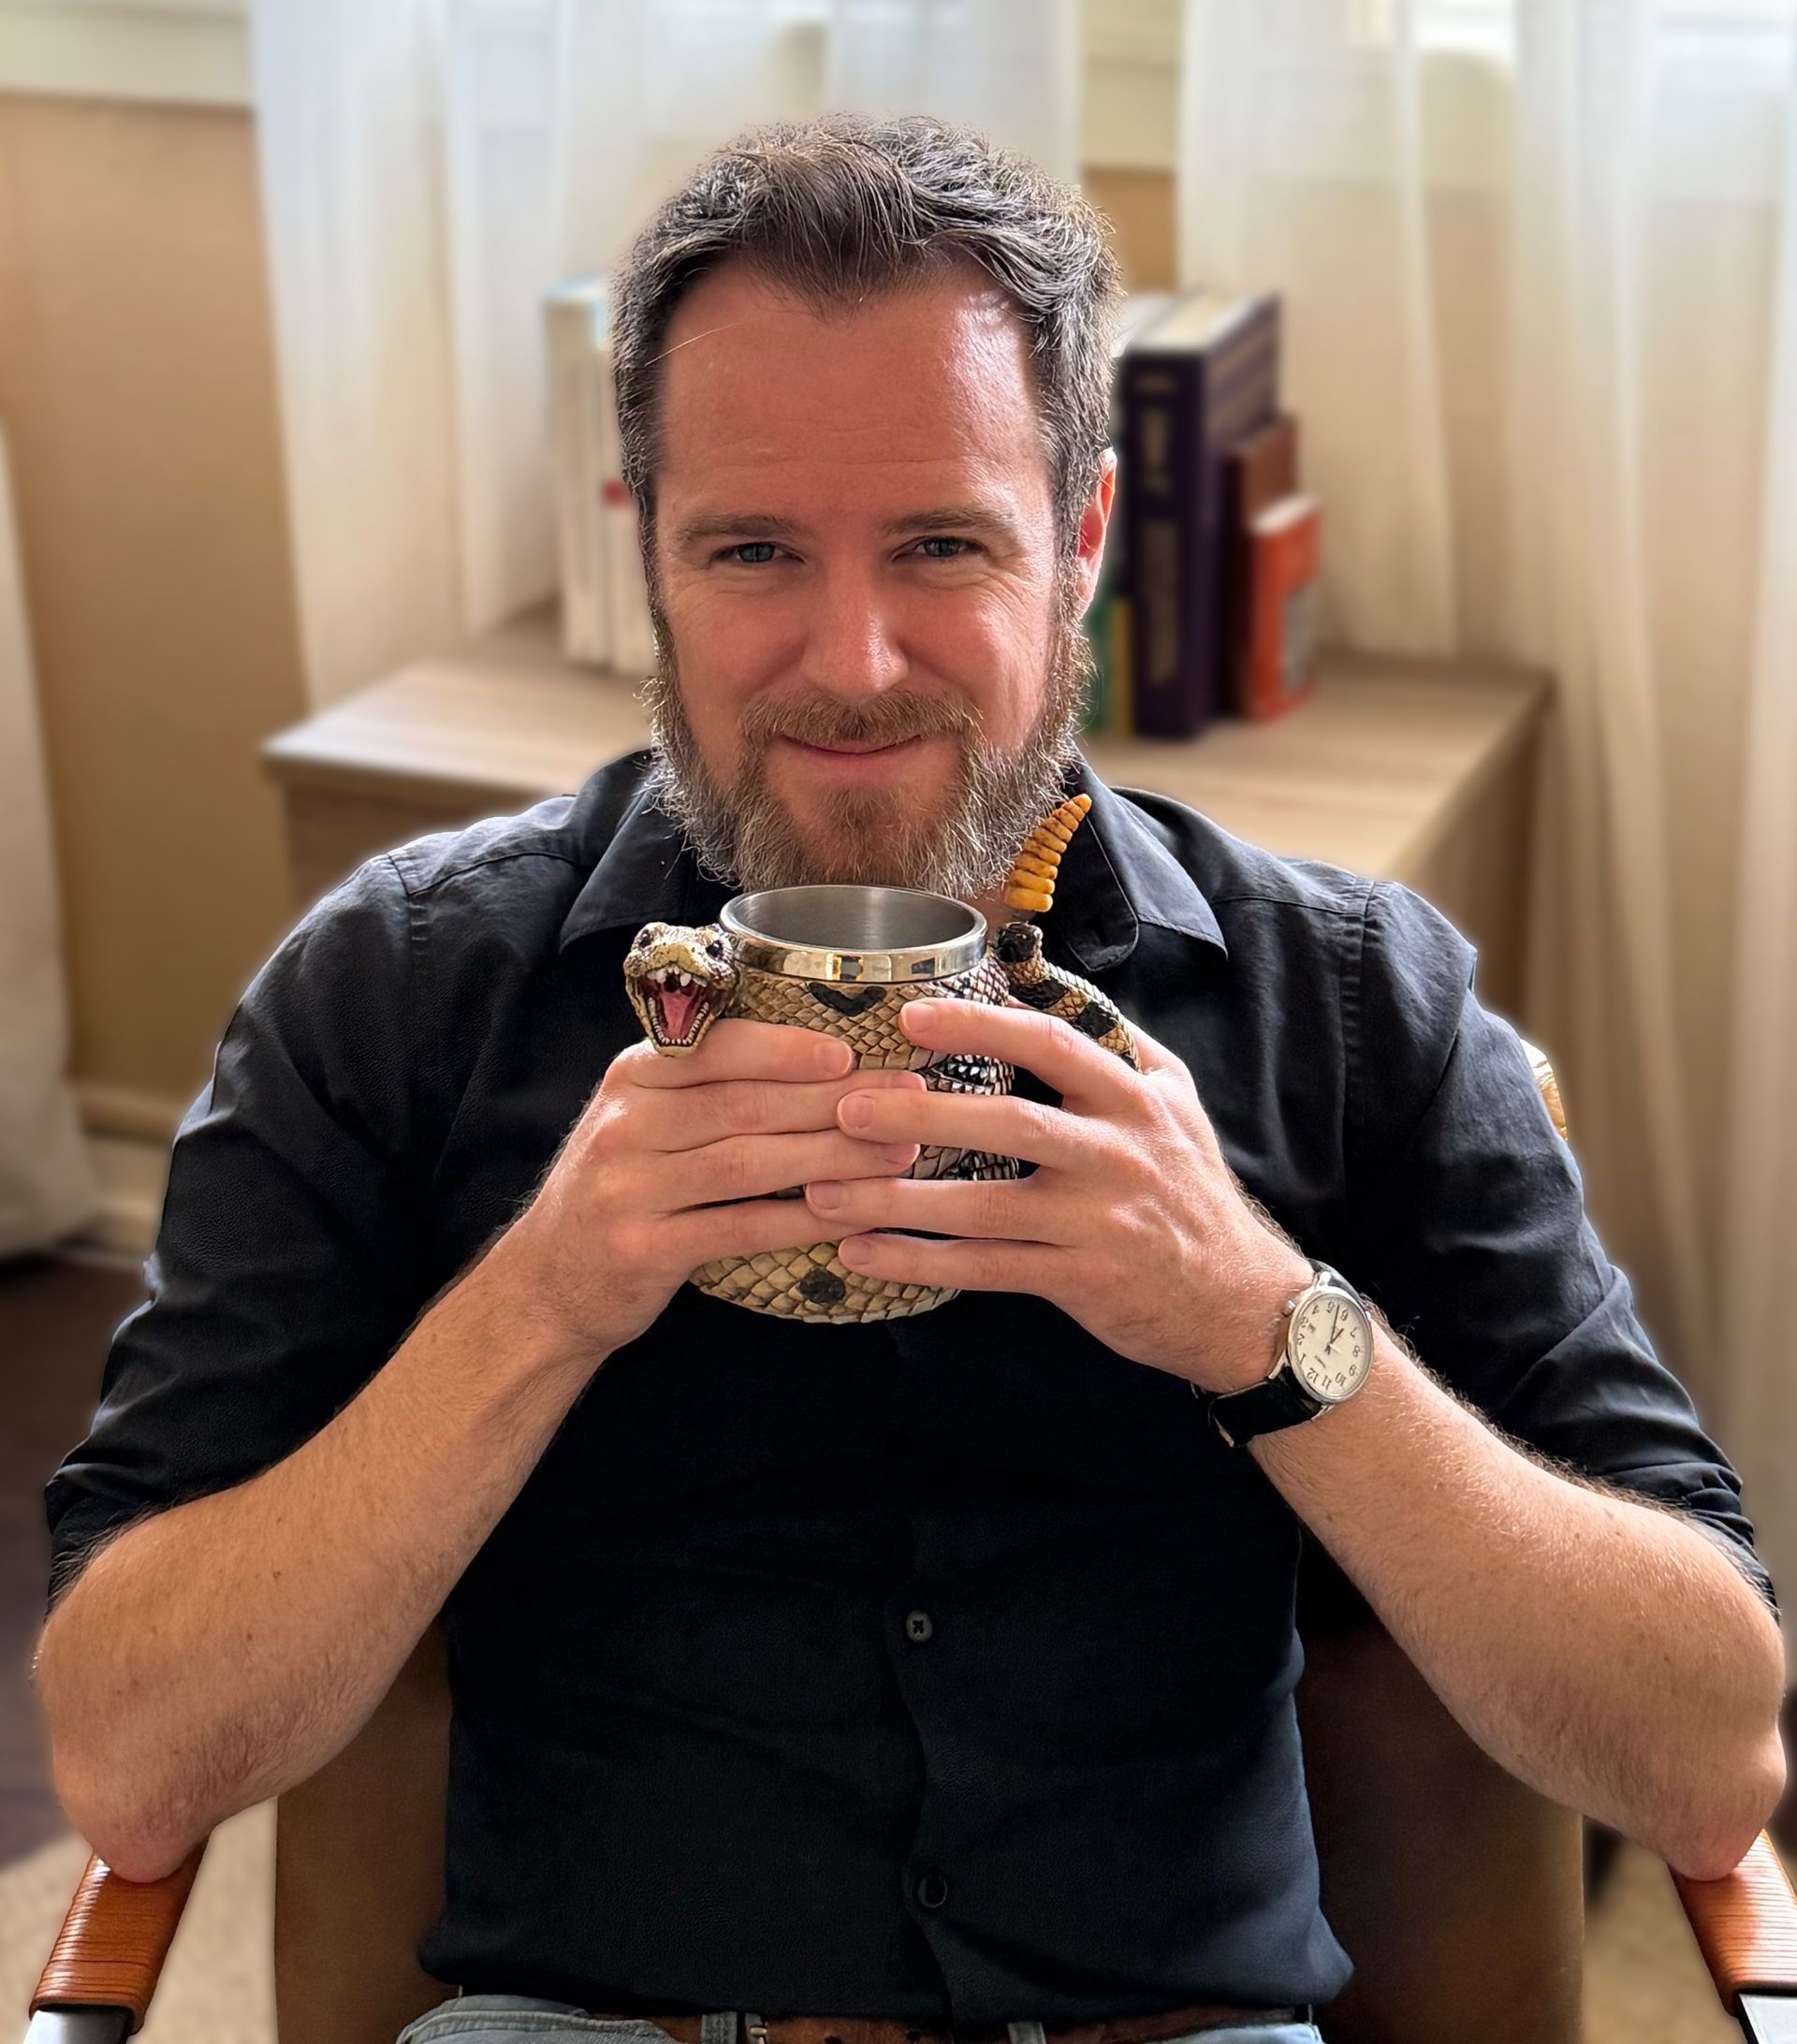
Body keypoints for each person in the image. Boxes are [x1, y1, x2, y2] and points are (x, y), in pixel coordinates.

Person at [33, 111, 1785, 2044]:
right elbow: (130, 1758)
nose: (850, 665)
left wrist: (1264, 1323)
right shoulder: (396, 995)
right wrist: (540, 1300)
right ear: (650, 554)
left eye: (943, 544)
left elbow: (1708, 1757)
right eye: (754, 549)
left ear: (1086, 546)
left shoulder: (1352, 1004)